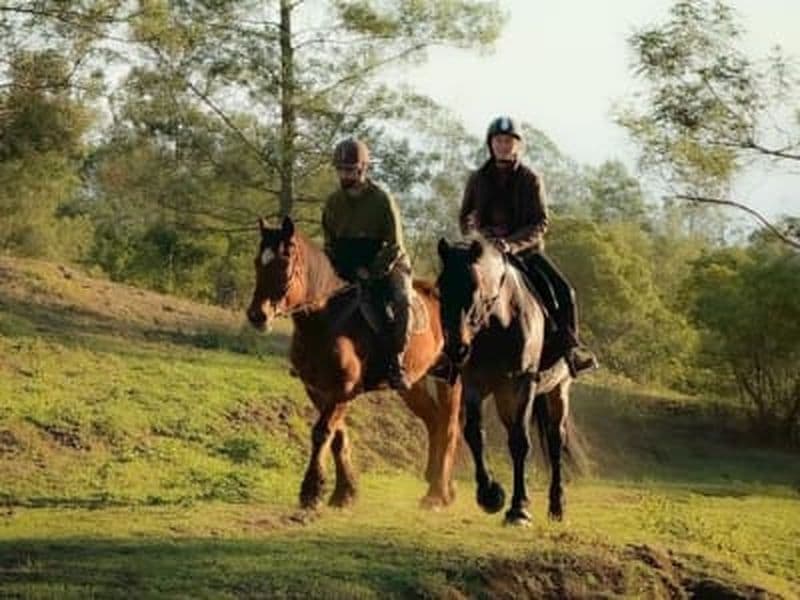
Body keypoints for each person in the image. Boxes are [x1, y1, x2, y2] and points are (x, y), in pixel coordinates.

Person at [459, 116, 598, 377]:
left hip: (525, 254)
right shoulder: (477, 179)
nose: (503, 146)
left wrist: (511, 245)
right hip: (485, 254)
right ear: (490, 144)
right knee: (454, 286)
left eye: (508, 141)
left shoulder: (530, 179)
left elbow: (540, 223)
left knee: (565, 292)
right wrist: (479, 236)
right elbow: (465, 218)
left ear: (518, 146)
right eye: (498, 141)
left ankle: (571, 351)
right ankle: (445, 350)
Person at [321, 138, 413, 391]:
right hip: (351, 265)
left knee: (403, 301)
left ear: (363, 169)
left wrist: (372, 272)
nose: (344, 175)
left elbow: (394, 245)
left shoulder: (382, 200)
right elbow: (330, 243)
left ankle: (396, 362)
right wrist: (339, 269)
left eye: (349, 170)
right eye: (340, 169)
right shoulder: (333, 202)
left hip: (388, 263)